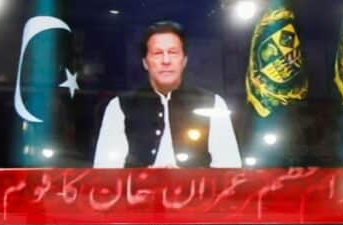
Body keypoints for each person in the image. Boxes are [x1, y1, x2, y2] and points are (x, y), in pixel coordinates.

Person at [92, 21, 242, 168]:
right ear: (145, 62)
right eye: (157, 53)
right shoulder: (118, 106)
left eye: (173, 52)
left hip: (195, 192)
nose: (166, 60)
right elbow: (105, 173)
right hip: (138, 192)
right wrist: (147, 178)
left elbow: (229, 170)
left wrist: (184, 180)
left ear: (184, 60)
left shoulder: (213, 104)